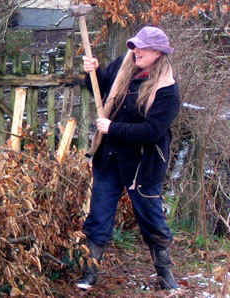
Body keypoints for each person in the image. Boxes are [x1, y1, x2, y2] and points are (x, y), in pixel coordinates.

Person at [76, 26, 180, 290]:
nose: (136, 51)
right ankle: (90, 273)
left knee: (151, 219)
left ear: (158, 53)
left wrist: (113, 128)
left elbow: (152, 131)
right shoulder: (123, 65)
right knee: (98, 217)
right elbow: (101, 91)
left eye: (142, 48)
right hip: (110, 157)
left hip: (143, 164)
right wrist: (94, 73)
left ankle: (165, 274)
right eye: (134, 45)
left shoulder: (167, 90)